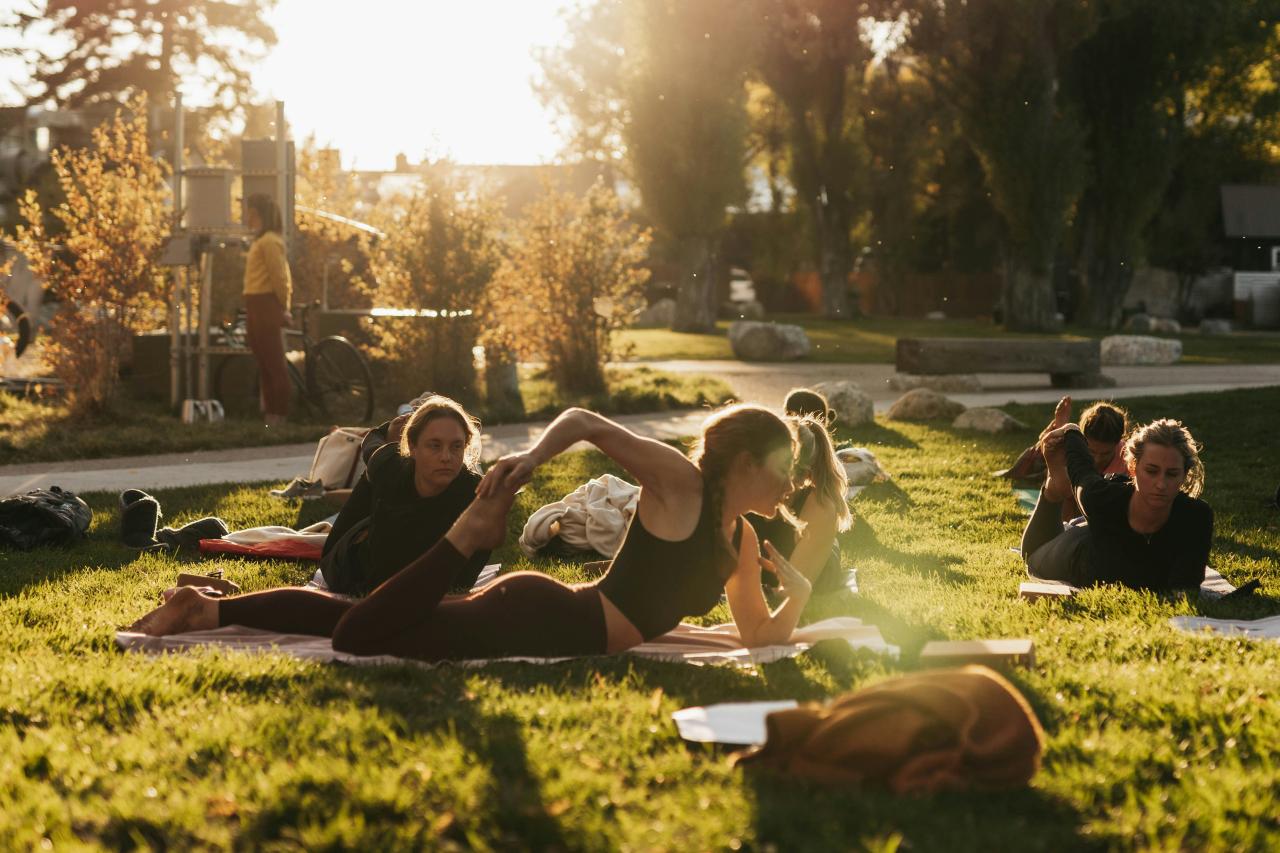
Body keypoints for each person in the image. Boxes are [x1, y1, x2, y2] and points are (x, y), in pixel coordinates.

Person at [128, 404, 815, 662]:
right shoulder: (681, 482)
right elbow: (582, 420)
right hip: (543, 616)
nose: (790, 487)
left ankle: (208, 607)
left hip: (550, 620)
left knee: (360, 618)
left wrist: (801, 596)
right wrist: (529, 461)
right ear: (748, 460)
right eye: (783, 470)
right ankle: (463, 535)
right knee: (360, 634)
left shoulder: (741, 541)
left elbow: (757, 637)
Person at [320, 395, 489, 596]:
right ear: (413, 447)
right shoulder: (390, 466)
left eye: (456, 446)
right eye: (434, 445)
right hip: (351, 564)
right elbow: (372, 445)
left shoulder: (475, 491)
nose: (446, 457)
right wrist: (386, 430)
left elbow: (466, 576)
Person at [1021, 417, 1213, 590]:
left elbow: (1186, 586)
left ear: (1184, 475)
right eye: (1151, 471)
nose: (1161, 484)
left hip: (1100, 531)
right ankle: (1054, 490)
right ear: (1133, 467)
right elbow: (1083, 469)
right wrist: (1071, 430)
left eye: (1171, 474)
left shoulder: (1197, 516)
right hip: (1074, 550)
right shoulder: (1101, 499)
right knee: (1033, 555)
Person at [747, 414, 852, 594]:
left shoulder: (820, 506)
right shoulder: (746, 484)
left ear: (804, 477)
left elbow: (790, 590)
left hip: (813, 576)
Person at [242, 193, 292, 426]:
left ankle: (278, 415)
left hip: (265, 303)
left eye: (251, 212)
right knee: (263, 360)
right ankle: (270, 415)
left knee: (274, 363)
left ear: (259, 213)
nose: (247, 216)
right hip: (254, 302)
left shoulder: (270, 241)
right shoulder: (260, 241)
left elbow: (279, 277)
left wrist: (284, 307)